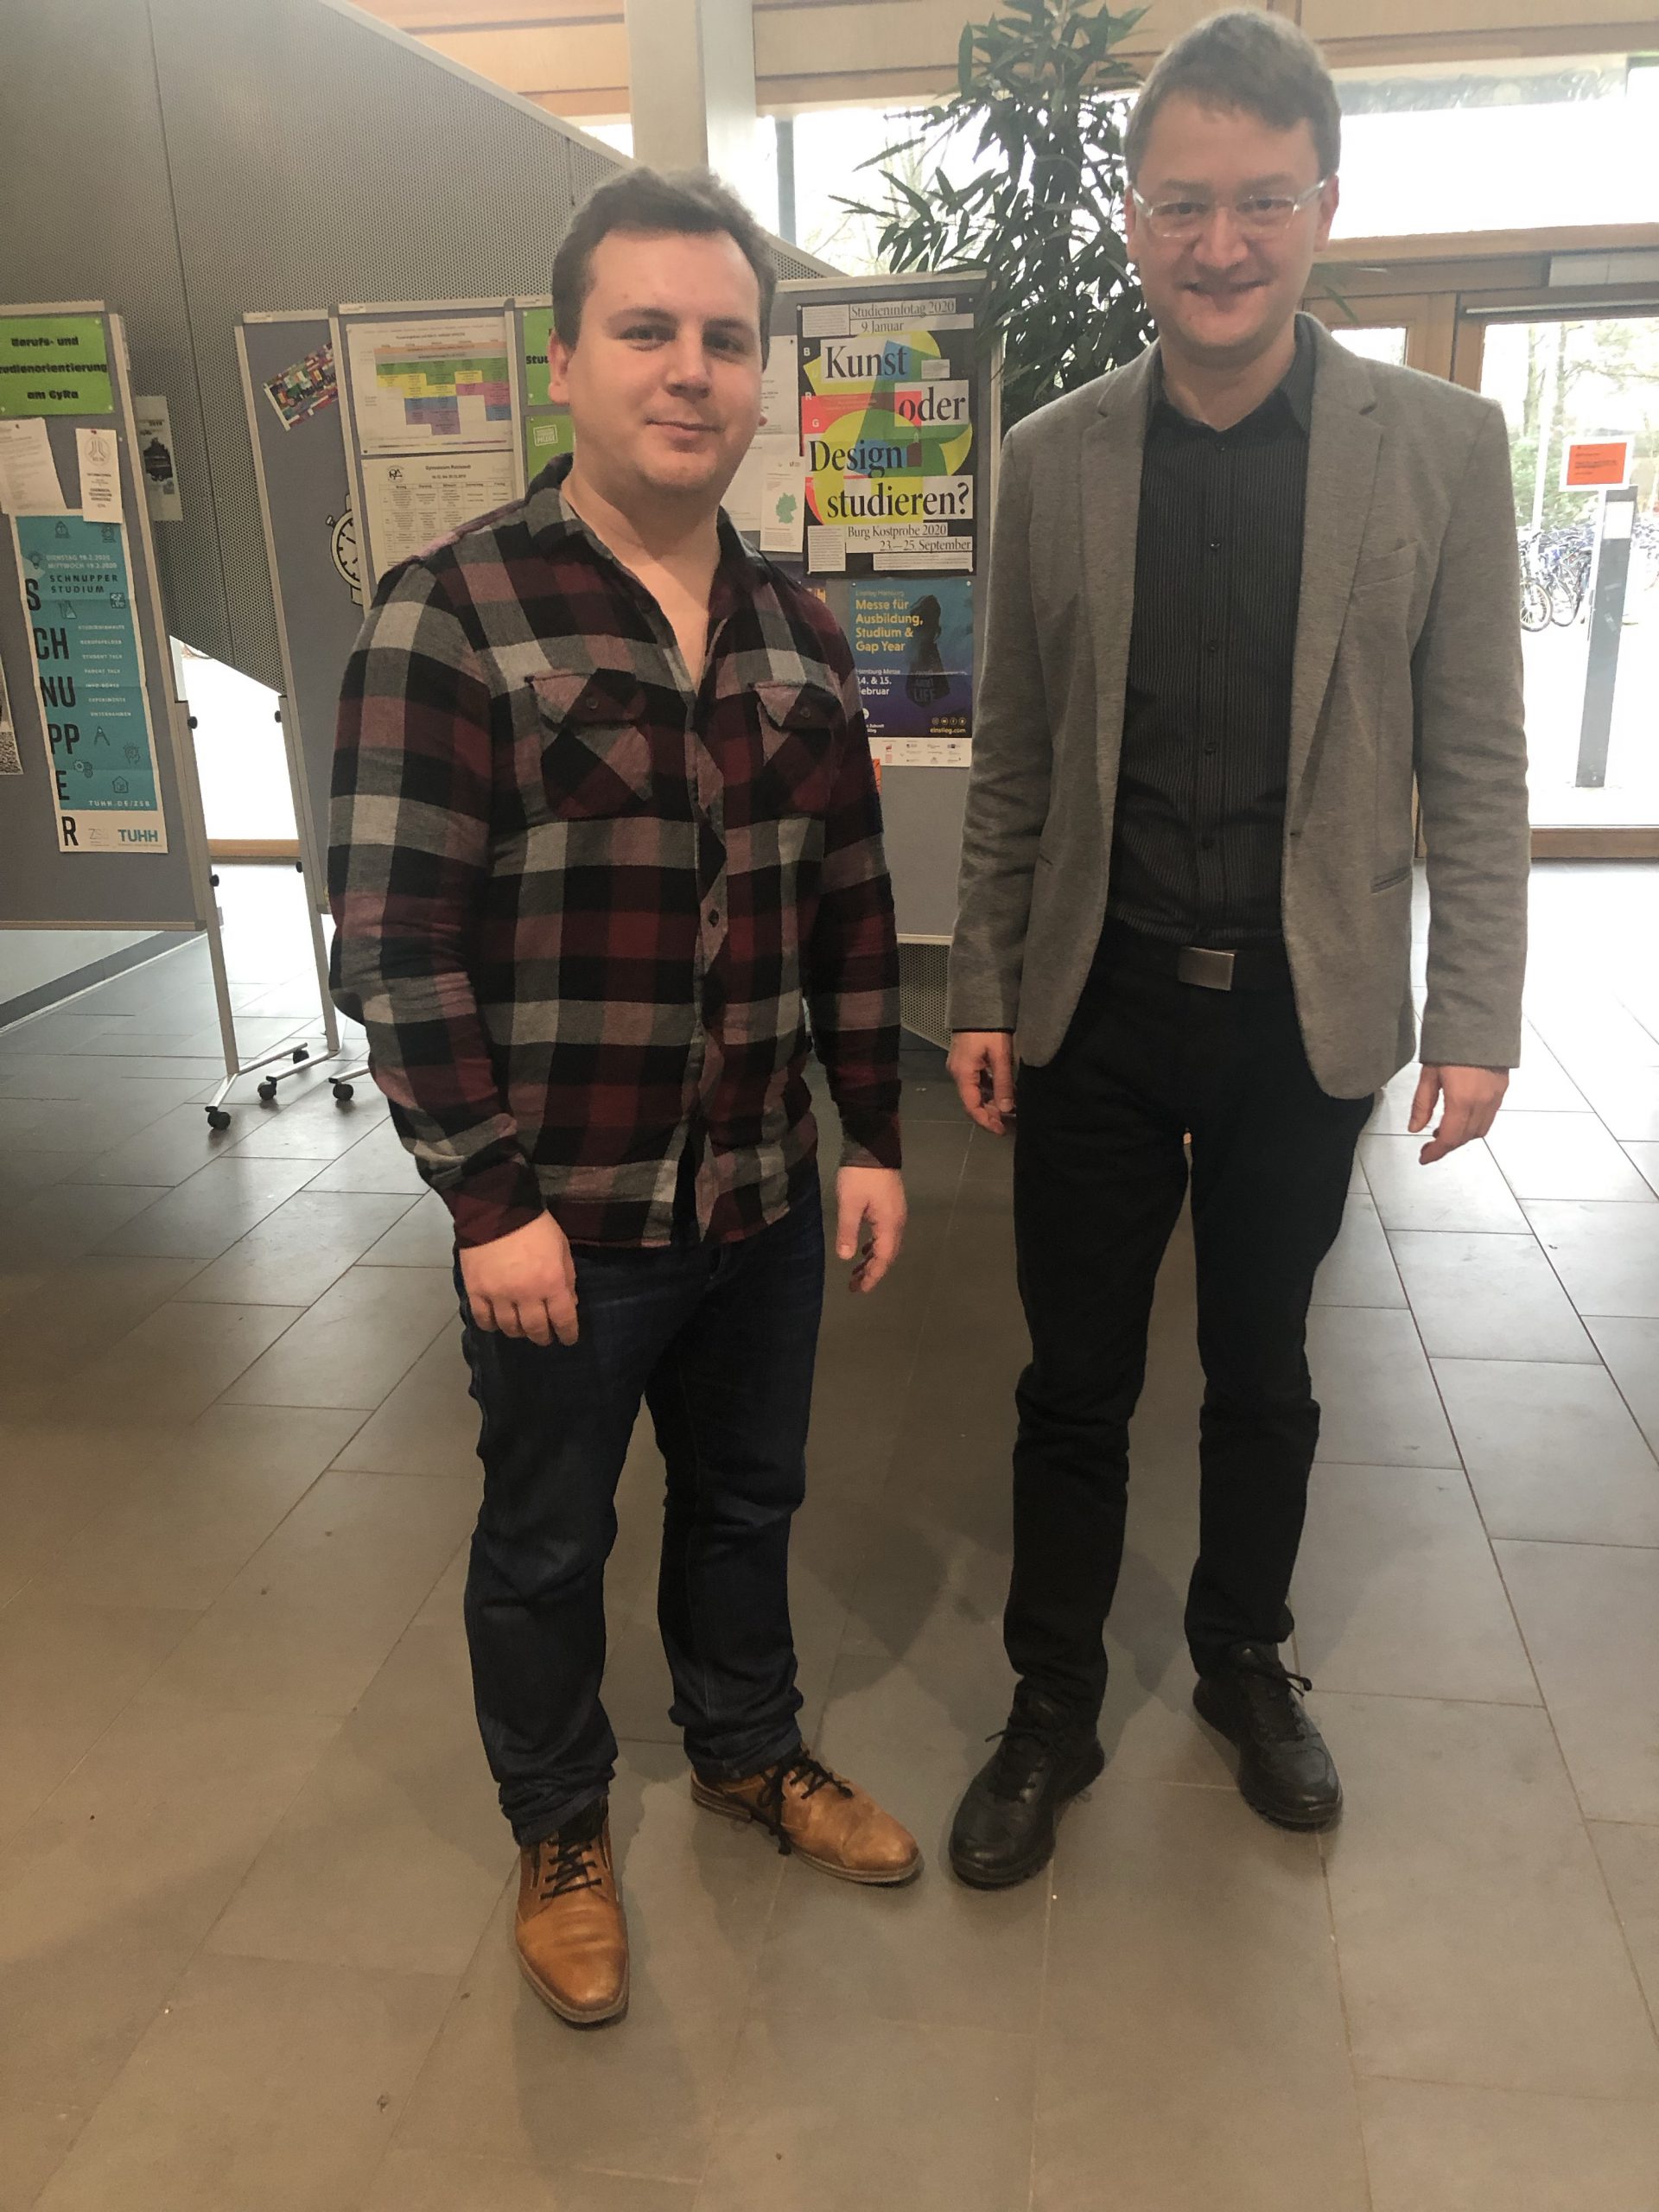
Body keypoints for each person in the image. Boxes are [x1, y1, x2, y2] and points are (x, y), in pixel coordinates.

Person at [330, 167, 920, 2028]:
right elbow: (396, 941)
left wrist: (874, 1132)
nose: (690, 370)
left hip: (760, 1195)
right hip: (564, 1218)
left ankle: (746, 1748)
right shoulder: (452, 612)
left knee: (748, 1500)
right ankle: (561, 1825)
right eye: (647, 330)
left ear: (761, 379)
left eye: (726, 339)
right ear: (565, 360)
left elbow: (850, 908)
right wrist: (487, 1199)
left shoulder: (799, 630)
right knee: (546, 1535)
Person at [944, 10, 1529, 1885]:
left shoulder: (1439, 449)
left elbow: (1477, 755)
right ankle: (1050, 1700)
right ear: (1132, 216)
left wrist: (1479, 1012)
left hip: (1305, 1008)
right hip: (1096, 1001)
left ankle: (1241, 1659)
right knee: (1073, 1380)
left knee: (1265, 1368)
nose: (1221, 243)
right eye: (1185, 203)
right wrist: (980, 986)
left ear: (1323, 207)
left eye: (1261, 201)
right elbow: (1018, 753)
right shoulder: (1055, 458)